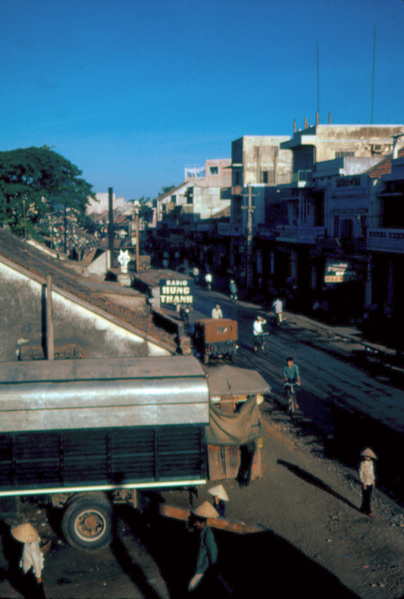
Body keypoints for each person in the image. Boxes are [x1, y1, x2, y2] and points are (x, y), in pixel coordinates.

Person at [188, 502, 219, 592]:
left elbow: (213, 553)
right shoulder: (201, 531)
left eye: (196, 522)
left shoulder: (208, 534)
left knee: (191, 588)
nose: (195, 524)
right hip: (200, 567)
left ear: (202, 522)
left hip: (202, 569)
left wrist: (213, 569)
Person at [11, 523, 46, 599]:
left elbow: (36, 562)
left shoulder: (32, 547)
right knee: (34, 587)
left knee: (34, 587)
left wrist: (38, 576)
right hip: (27, 566)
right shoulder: (33, 539)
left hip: (30, 568)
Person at [359, 448, 377, 516]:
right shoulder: (362, 463)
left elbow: (372, 472)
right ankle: (368, 511)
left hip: (370, 481)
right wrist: (363, 482)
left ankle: (363, 508)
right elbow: (361, 473)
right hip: (365, 482)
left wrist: (373, 480)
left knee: (369, 496)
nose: (367, 457)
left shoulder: (371, 463)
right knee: (365, 496)